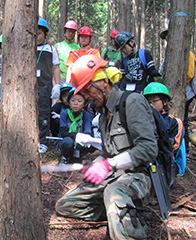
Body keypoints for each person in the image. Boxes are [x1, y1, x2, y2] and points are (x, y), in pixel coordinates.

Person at [55, 55, 158, 239]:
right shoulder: (103, 114)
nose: (85, 96)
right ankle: (116, 212)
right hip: (112, 177)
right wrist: (99, 163)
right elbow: (108, 150)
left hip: (137, 177)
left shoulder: (132, 102)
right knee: (65, 205)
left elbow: (149, 148)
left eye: (87, 89)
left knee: (113, 191)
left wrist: (109, 164)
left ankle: (129, 228)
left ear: (103, 82)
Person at [160, 29, 194, 156]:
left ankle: (185, 151)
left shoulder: (188, 53)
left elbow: (189, 74)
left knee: (182, 121)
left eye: (169, 37)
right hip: (171, 91)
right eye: (167, 39)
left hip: (186, 92)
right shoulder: (170, 53)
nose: (168, 41)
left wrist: (176, 81)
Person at [143, 82, 186, 176]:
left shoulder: (174, 122)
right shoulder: (143, 121)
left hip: (168, 161)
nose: (151, 105)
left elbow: (174, 146)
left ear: (165, 101)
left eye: (154, 101)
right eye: (148, 102)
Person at [36, 17, 61, 153]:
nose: (37, 36)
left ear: (45, 35)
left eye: (39, 33)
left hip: (45, 86)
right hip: (29, 86)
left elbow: (56, 67)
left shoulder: (51, 49)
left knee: (43, 113)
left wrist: (57, 85)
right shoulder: (27, 47)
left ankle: (43, 140)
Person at [56, 87, 96, 164]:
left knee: (90, 142)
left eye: (79, 101)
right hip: (66, 140)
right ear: (69, 102)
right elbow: (64, 133)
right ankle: (66, 157)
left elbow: (88, 132)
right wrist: (78, 136)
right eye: (73, 100)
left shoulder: (86, 115)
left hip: (79, 140)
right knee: (68, 142)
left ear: (84, 104)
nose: (75, 103)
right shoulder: (64, 113)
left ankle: (81, 155)